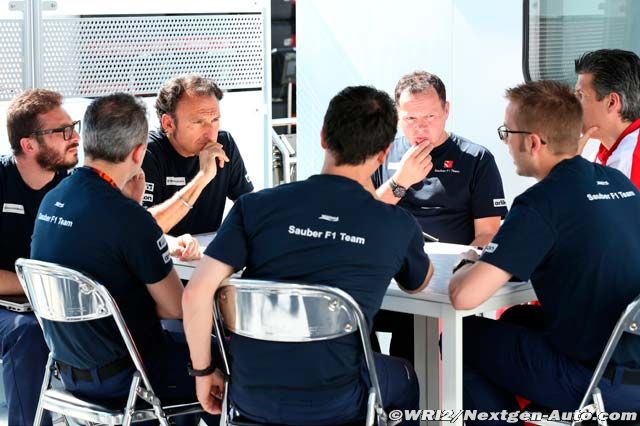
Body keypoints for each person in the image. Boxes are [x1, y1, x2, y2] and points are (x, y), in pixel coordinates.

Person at [182, 85, 434, 425]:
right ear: (384, 153)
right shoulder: (396, 224)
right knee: (405, 377)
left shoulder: (255, 207)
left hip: (249, 395)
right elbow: (419, 283)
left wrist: (202, 373)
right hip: (339, 402)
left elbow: (196, 293)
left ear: (323, 136)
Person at [449, 80, 640, 422]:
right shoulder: (619, 183)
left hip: (597, 380)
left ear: (533, 142)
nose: (506, 142)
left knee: (461, 338)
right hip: (628, 360)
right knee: (516, 320)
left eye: (507, 132)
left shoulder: (541, 202)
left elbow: (464, 297)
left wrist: (467, 264)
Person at [30, 93, 212, 423]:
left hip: (69, 371)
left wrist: (132, 207)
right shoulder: (128, 219)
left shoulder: (52, 200)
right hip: (130, 378)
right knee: (225, 360)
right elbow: (176, 308)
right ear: (139, 153)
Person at [372, 71, 508, 363]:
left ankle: (412, 389)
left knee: (413, 337)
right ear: (397, 116)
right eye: (410, 118)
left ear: (446, 110)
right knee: (351, 317)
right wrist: (400, 182)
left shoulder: (475, 158)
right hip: (390, 276)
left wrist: (460, 269)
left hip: (445, 281)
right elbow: (365, 217)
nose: (420, 127)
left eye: (430, 117)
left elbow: (488, 233)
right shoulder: (383, 154)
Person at [0, 89, 80, 426]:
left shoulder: (75, 187)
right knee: (28, 334)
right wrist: (38, 286)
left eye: (73, 127)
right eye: (62, 131)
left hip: (57, 302)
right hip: (10, 307)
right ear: (29, 144)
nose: (75, 137)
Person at [142, 74, 254, 236]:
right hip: (163, 250)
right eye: (198, 122)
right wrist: (202, 178)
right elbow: (143, 228)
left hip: (208, 250)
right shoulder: (147, 152)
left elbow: (250, 206)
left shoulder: (224, 143)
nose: (210, 133)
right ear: (168, 123)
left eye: (215, 120)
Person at [575, 49, 640, 189]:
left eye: (580, 95)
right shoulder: (605, 148)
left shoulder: (633, 163)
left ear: (611, 102)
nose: (573, 104)